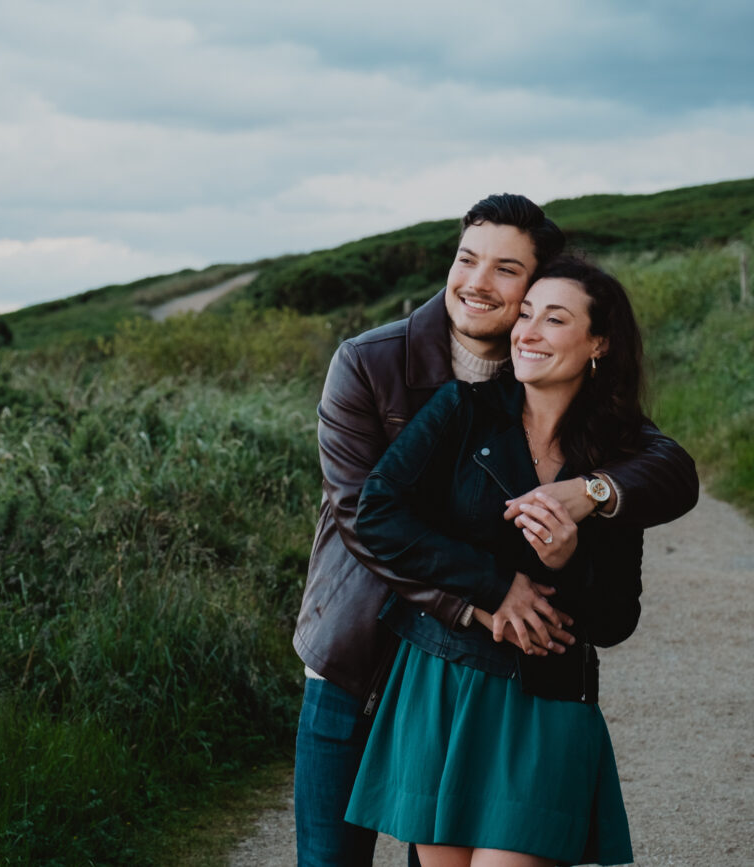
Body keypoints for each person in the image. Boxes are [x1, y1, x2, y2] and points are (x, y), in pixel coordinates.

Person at [292, 194, 698, 866]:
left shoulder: (568, 410)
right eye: (467, 258)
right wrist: (484, 593)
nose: (478, 282)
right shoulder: (372, 364)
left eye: (507, 271)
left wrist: (593, 494)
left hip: (502, 680)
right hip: (360, 654)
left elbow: (669, 470)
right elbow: (365, 516)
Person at [345, 256, 648, 866]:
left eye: (554, 319)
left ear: (598, 343)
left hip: (548, 700)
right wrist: (491, 586)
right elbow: (377, 512)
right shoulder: (462, 409)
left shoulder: (619, 455)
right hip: (441, 680)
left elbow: (616, 620)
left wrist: (566, 560)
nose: (528, 332)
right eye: (526, 314)